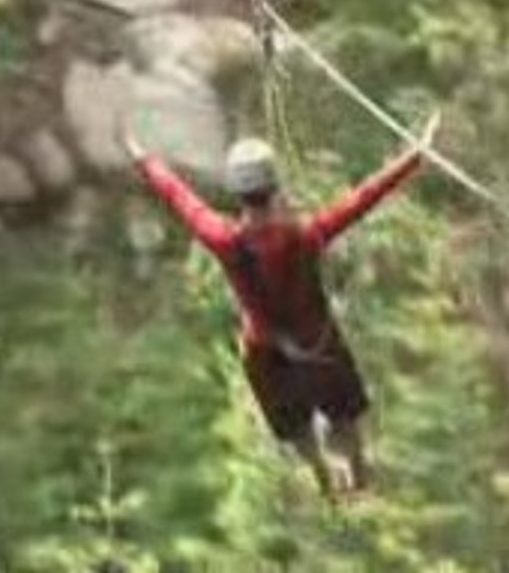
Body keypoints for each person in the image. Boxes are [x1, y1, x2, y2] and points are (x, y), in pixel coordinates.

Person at [122, 113, 440, 500]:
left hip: (266, 354)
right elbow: (362, 199)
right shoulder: (306, 236)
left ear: (238, 194)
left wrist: (143, 158)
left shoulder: (222, 238)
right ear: (274, 188)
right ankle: (358, 475)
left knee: (296, 428)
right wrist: (415, 155)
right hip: (318, 344)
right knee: (344, 417)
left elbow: (180, 198)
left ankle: (324, 477)